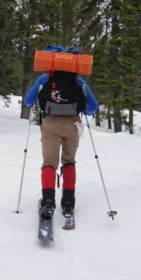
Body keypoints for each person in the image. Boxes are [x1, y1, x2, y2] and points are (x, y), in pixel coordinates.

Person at [23, 52, 99, 222]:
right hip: (72, 126)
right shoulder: (78, 80)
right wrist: (83, 109)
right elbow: (93, 107)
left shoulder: (45, 78)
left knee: (49, 163)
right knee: (69, 161)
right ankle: (68, 203)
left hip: (50, 124)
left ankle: (48, 202)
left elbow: (28, 101)